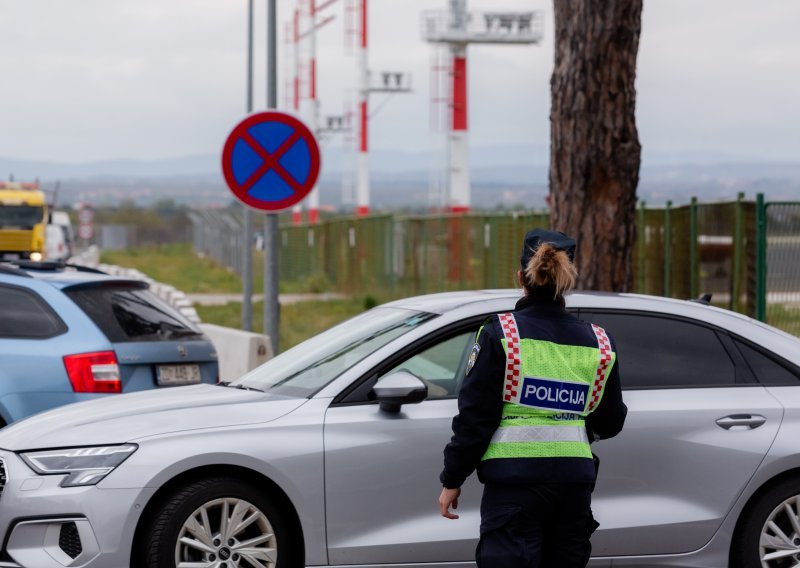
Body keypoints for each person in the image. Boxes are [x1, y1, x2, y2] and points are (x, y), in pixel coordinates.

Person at [438, 228, 627, 568]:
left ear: (520, 277)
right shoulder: (599, 340)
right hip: (573, 487)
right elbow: (611, 420)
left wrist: (452, 478)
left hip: (514, 488)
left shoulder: (502, 334)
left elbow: (475, 418)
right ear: (567, 281)